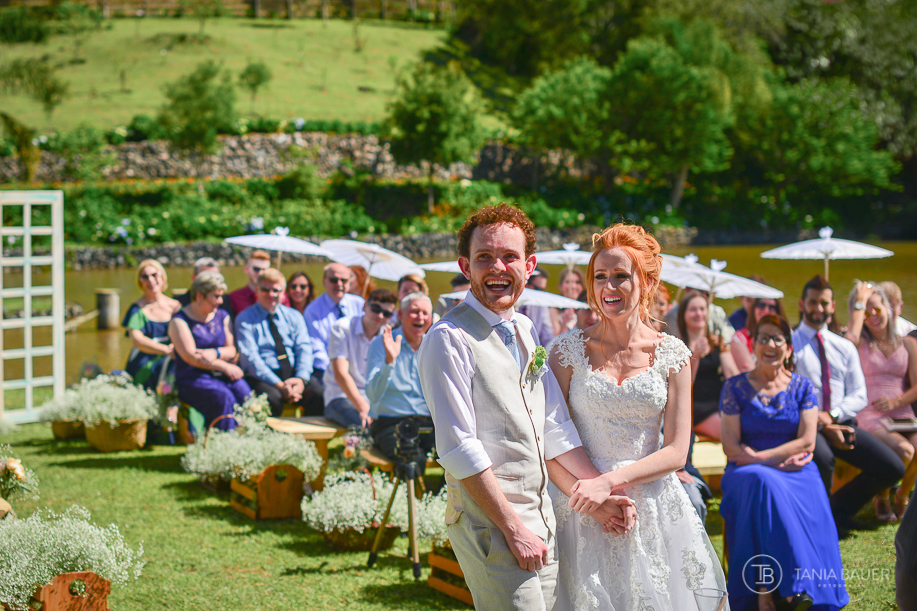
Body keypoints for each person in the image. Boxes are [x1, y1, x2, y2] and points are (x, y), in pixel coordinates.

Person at [418, 204, 636, 610]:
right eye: (484, 257)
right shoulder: (447, 339)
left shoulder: (524, 328)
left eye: (509, 256)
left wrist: (600, 489)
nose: (497, 267)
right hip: (491, 523)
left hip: (542, 518)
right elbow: (457, 448)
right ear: (465, 265)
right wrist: (513, 528)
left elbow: (553, 425)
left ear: (529, 264)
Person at [547, 223, 726, 610]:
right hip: (578, 504)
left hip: (651, 502)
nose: (609, 287)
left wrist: (609, 482)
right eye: (600, 277)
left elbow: (678, 452)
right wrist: (591, 500)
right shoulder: (564, 352)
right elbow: (548, 442)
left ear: (645, 283)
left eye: (621, 276)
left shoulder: (673, 355)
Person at [720, 313, 848, 611]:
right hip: (745, 470)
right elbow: (731, 447)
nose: (770, 343)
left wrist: (763, 459)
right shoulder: (735, 388)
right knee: (761, 482)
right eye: (763, 337)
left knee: (778, 481)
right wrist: (770, 463)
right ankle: (785, 592)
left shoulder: (802, 387)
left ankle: (771, 593)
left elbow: (807, 441)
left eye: (778, 338)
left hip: (795, 470)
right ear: (753, 346)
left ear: (788, 348)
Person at [792, 275, 906, 532]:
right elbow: (787, 394)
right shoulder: (790, 345)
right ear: (801, 304)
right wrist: (819, 423)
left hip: (841, 422)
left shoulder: (843, 347)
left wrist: (831, 416)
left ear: (832, 307)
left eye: (824, 303)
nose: (818, 309)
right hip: (805, 426)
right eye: (812, 302)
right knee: (822, 458)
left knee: (892, 467)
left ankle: (836, 511)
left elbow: (859, 395)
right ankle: (816, 523)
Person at [844, 281, 917, 521]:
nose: (872, 316)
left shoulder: (907, 342)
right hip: (871, 412)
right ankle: (883, 496)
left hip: (901, 411)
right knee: (905, 451)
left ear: (888, 307)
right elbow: (850, 336)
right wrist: (860, 301)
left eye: (876, 308)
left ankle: (903, 495)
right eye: (866, 312)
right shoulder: (860, 343)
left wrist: (896, 402)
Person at [168, 272, 251, 431]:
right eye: (215, 296)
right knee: (223, 397)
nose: (220, 301)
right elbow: (191, 357)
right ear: (199, 296)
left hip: (221, 375)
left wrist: (215, 353)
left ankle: (253, 438)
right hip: (192, 377)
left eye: (222, 296)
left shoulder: (222, 316)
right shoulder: (179, 321)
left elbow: (232, 350)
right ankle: (223, 444)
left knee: (245, 393)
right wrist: (224, 366)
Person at [366, 292, 436, 477]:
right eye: (414, 311)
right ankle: (411, 504)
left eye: (425, 313)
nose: (420, 317)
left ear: (431, 318)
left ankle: (440, 502)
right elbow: (372, 395)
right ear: (400, 315)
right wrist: (389, 362)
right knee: (411, 461)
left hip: (429, 423)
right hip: (391, 422)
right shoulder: (381, 343)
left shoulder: (436, 345)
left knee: (461, 455)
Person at [235, 268, 320, 417]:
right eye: (265, 290)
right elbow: (250, 359)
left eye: (276, 290)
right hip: (265, 376)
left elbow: (304, 349)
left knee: (318, 394)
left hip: (293, 374)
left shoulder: (294, 316)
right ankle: (273, 439)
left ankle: (308, 438)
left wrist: (301, 379)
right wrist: (280, 385)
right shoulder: (245, 318)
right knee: (272, 399)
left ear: (283, 292)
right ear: (257, 290)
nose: (271, 294)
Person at [324, 288, 397, 429]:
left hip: (374, 399)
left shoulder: (388, 335)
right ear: (365, 306)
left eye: (387, 313)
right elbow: (340, 374)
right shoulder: (342, 327)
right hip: (340, 396)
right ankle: (353, 451)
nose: (380, 315)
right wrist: (363, 407)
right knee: (367, 426)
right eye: (375, 309)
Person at [678, 291, 740, 441]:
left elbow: (733, 376)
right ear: (683, 314)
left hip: (719, 401)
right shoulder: (678, 346)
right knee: (730, 431)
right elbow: (684, 386)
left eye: (702, 309)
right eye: (693, 309)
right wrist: (696, 357)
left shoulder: (716, 342)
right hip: (696, 407)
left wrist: (724, 350)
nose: (699, 313)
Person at [122, 259, 181, 391]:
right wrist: (165, 350)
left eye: (154, 275)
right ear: (140, 282)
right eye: (145, 277)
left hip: (174, 353)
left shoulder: (176, 306)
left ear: (163, 277)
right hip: (146, 356)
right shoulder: (137, 309)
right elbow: (137, 339)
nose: (150, 280)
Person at [304, 263, 366, 387]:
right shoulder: (312, 310)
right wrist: (338, 371)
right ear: (324, 282)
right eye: (334, 280)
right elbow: (316, 348)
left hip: (359, 367)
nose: (339, 284)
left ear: (349, 283)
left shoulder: (359, 304)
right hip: (328, 369)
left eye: (343, 280)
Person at [731, 298, 787, 372]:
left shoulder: (788, 334)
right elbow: (748, 371)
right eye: (761, 305)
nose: (766, 310)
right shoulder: (740, 337)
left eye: (772, 307)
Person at [227, 250, 289, 315]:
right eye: (256, 269)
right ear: (246, 269)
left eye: (264, 270)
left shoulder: (280, 295)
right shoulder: (233, 297)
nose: (260, 273)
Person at [665, 289, 736, 344]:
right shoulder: (673, 314)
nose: (699, 313)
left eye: (707, 294)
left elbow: (730, 333)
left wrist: (721, 339)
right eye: (693, 309)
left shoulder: (717, 311)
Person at [517, 267, 554, 345]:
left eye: (543, 290)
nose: (541, 294)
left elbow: (547, 336)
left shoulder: (541, 306)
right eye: (539, 289)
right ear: (526, 284)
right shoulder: (509, 302)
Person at [550, 267, 584, 336]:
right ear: (560, 286)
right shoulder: (554, 310)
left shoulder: (588, 310)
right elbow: (554, 341)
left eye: (577, 282)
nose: (573, 286)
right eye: (568, 282)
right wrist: (564, 324)